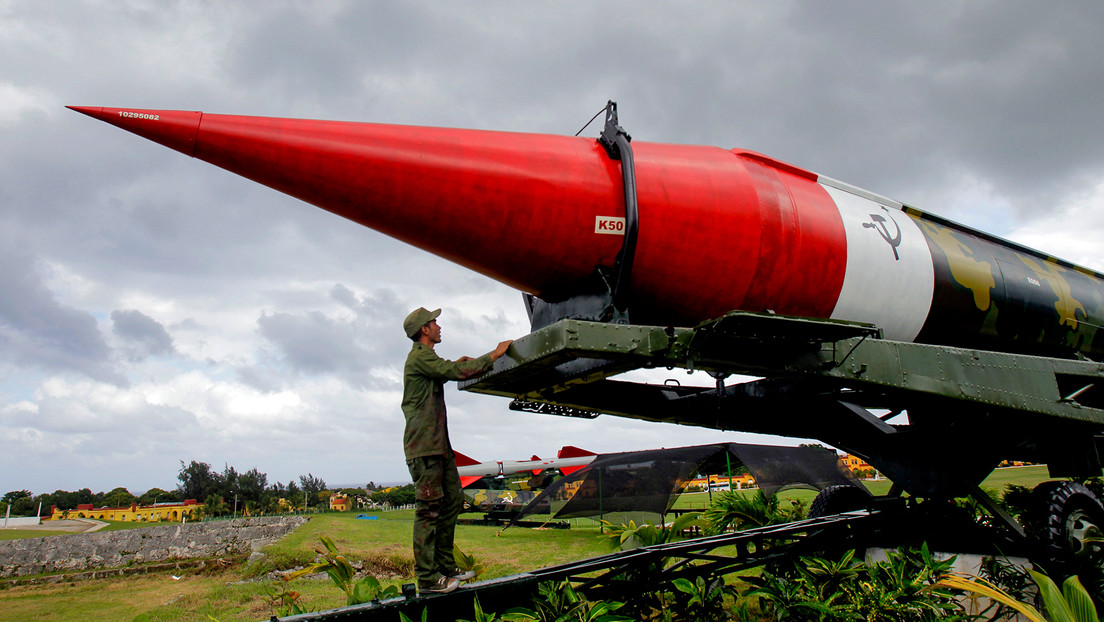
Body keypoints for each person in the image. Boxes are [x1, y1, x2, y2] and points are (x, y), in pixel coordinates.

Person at [401, 306, 513, 594]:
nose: (439, 326)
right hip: (425, 448)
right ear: (424, 329)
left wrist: (459, 364)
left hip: (438, 446)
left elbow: (447, 369)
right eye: (434, 322)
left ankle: (445, 567)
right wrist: (494, 354)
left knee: (452, 501)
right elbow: (455, 371)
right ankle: (428, 579)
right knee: (428, 511)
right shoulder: (419, 357)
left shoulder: (427, 359)